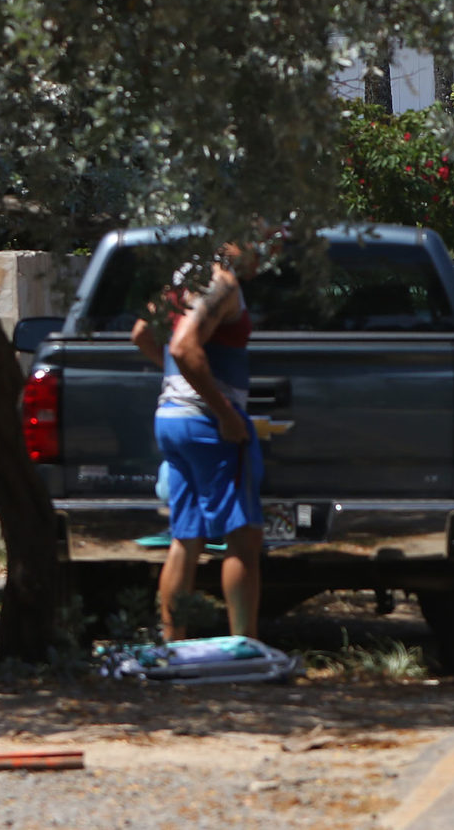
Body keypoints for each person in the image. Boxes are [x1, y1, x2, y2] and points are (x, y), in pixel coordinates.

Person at [134, 242, 265, 641]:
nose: (266, 254)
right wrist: (225, 414)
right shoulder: (221, 283)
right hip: (208, 424)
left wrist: (175, 379)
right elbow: (183, 347)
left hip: (171, 418)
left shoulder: (183, 277)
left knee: (185, 536)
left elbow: (141, 333)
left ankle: (172, 643)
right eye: (261, 242)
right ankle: (245, 645)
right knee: (243, 536)